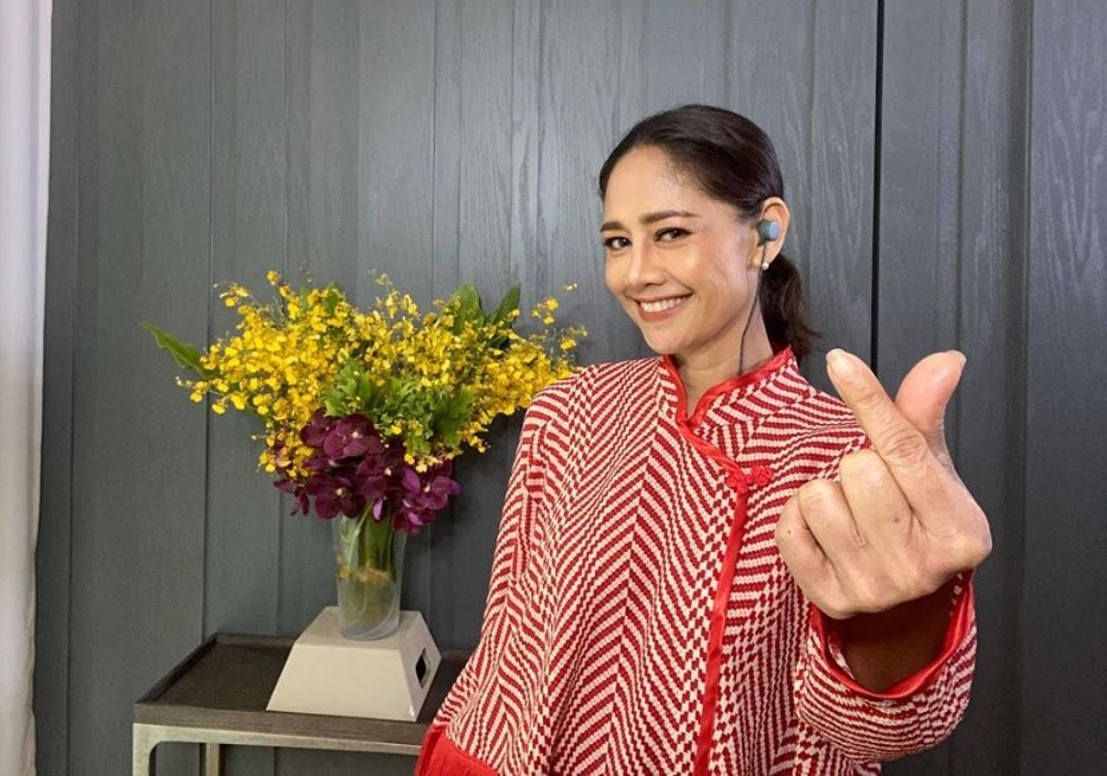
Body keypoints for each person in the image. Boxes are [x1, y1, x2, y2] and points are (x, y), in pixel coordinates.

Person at [413, 105, 992, 775]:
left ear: (765, 232)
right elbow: (509, 641)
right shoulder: (568, 411)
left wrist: (901, 619)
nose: (635, 273)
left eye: (670, 232)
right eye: (617, 242)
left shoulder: (848, 460)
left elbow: (878, 734)